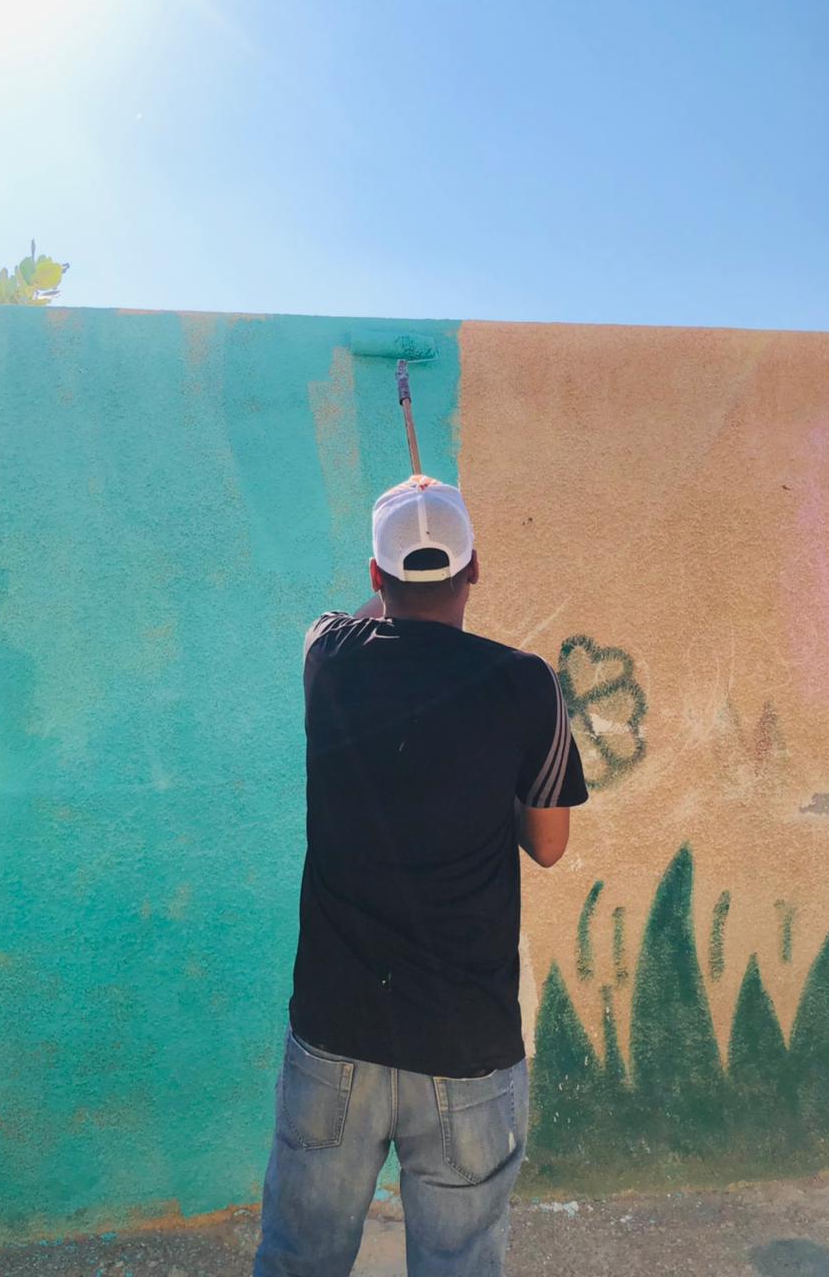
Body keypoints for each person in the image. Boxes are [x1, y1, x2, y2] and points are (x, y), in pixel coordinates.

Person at [253, 475, 588, 1276]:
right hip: (466, 1045)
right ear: (475, 568)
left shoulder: (329, 657)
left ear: (376, 575)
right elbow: (548, 845)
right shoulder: (527, 684)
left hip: (335, 1036)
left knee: (298, 1262)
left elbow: (357, 618)